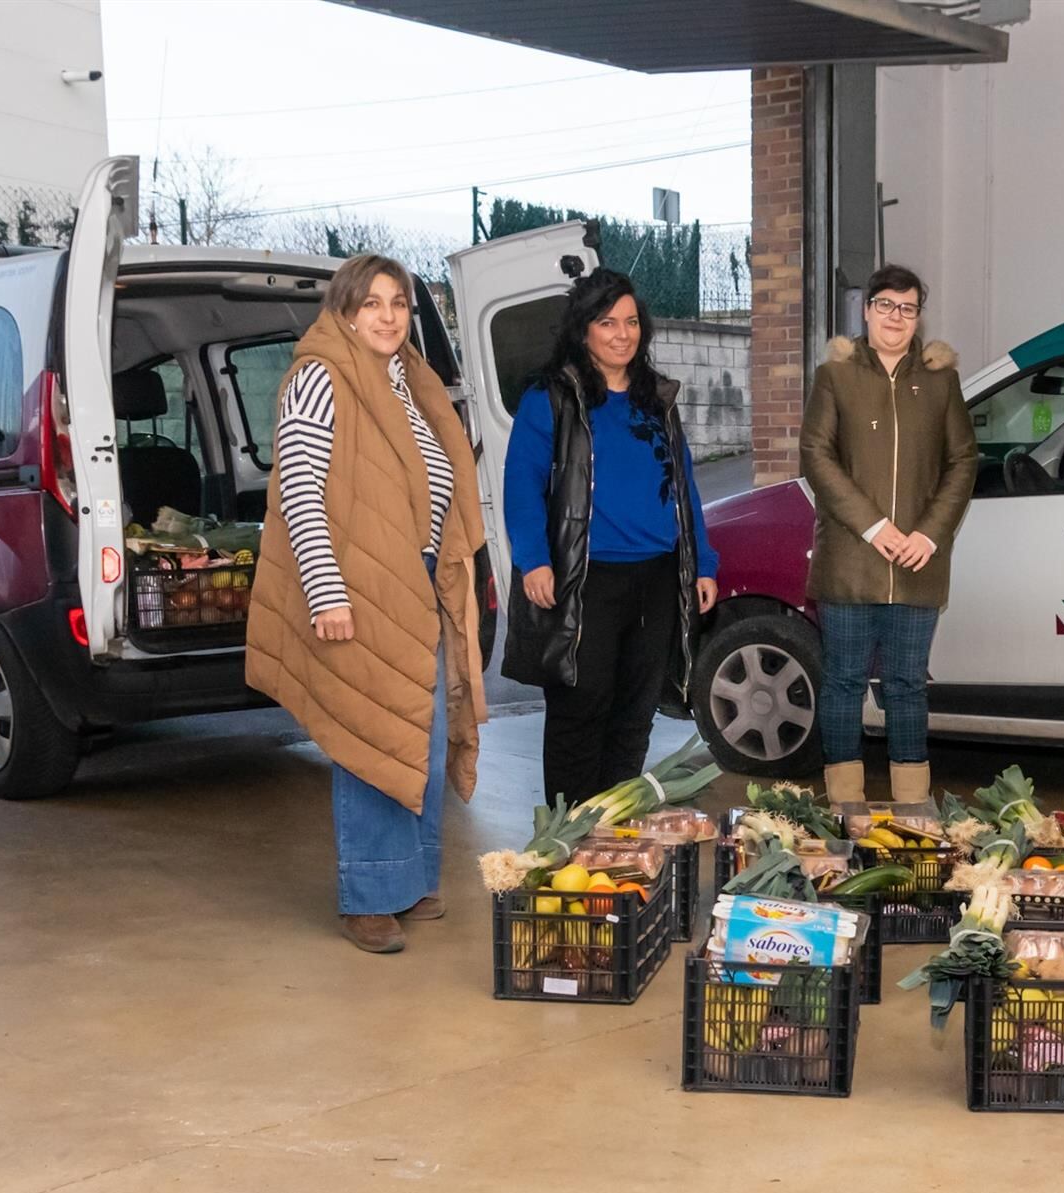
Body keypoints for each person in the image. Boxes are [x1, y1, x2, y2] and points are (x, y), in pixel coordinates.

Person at [246, 254, 490, 955]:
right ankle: (369, 897)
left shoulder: (408, 382)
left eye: (400, 304)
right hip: (355, 585)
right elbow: (299, 490)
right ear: (345, 310)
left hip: (414, 583)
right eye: (373, 302)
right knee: (369, 734)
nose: (388, 316)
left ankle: (409, 879)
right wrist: (326, 592)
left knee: (420, 732)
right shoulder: (319, 378)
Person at [502, 268, 719, 808]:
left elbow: (685, 485)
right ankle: (568, 832)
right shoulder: (551, 398)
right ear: (583, 331)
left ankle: (614, 828)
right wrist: (533, 560)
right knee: (581, 706)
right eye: (607, 322)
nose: (622, 334)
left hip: (657, 576)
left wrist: (704, 564)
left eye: (630, 322)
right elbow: (521, 487)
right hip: (585, 578)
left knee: (635, 711)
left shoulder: (656, 399)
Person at [799, 263, 978, 805]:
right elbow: (816, 455)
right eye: (886, 305)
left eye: (908, 307)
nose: (896, 317)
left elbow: (964, 460)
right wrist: (875, 527)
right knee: (844, 683)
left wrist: (928, 535)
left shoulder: (941, 380)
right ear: (866, 309)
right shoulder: (836, 376)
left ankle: (912, 807)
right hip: (851, 564)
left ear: (918, 314)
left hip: (918, 564)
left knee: (906, 686)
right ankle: (845, 803)